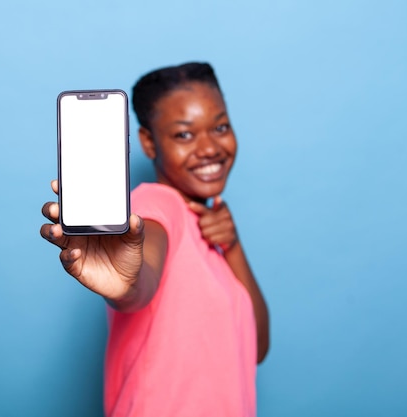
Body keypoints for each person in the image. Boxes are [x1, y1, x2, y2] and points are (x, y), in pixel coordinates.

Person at [40, 62, 270, 417]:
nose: (210, 147)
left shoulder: (210, 228)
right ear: (148, 142)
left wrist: (233, 246)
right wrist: (129, 286)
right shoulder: (156, 204)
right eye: (184, 134)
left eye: (220, 126)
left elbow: (255, 349)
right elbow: (142, 277)